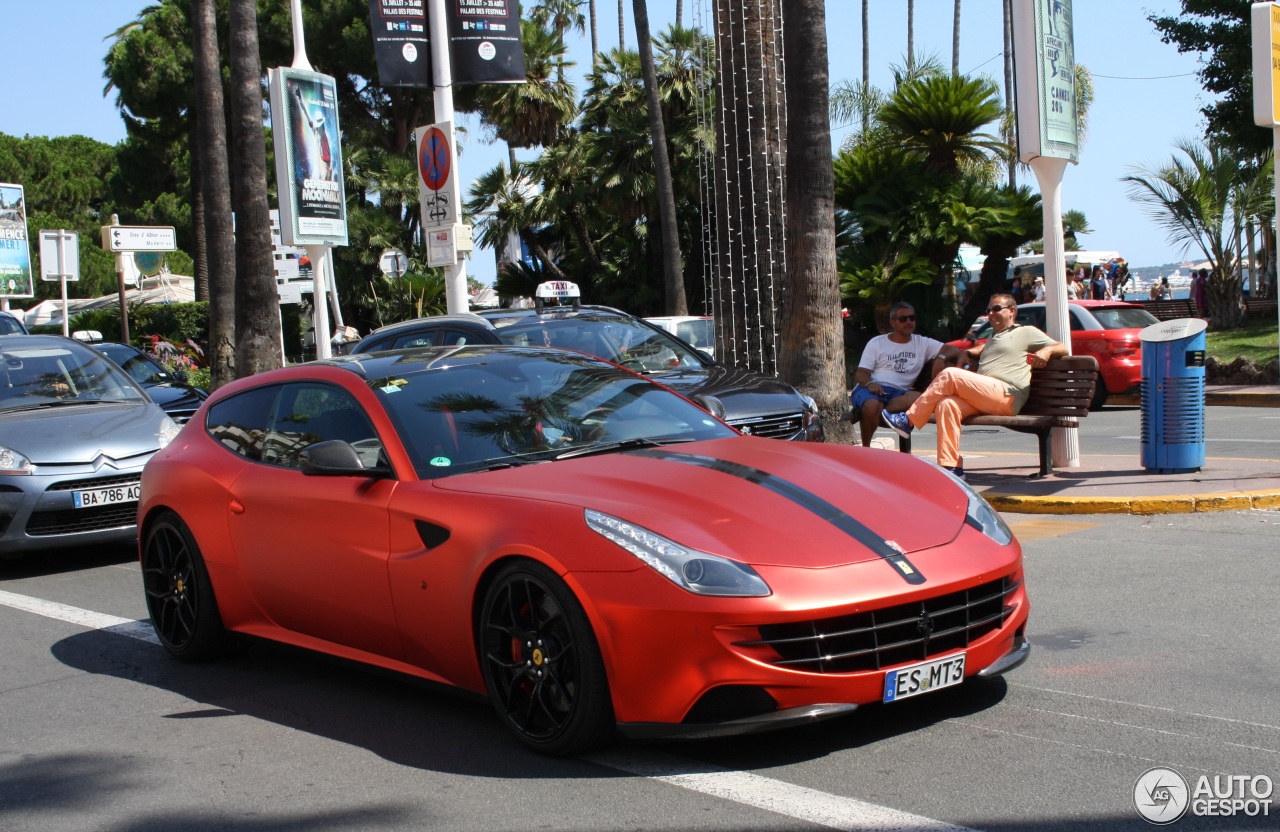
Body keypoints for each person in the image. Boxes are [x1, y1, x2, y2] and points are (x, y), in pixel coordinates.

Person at [881, 294, 1067, 479]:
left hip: (1007, 394)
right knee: (947, 404)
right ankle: (951, 467)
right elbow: (985, 348)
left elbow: (1061, 347)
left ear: (1011, 311)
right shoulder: (993, 338)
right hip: (986, 396)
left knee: (950, 374)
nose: (991, 314)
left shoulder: (1026, 332)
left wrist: (1046, 350)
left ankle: (909, 420)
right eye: (988, 310)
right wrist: (968, 352)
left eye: (996, 309)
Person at [850, 302, 959, 447]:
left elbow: (954, 350)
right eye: (903, 319)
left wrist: (941, 358)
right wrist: (871, 384)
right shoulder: (877, 343)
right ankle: (866, 447)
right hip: (872, 388)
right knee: (872, 405)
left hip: (900, 394)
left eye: (911, 318)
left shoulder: (922, 343)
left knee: (922, 398)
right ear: (893, 322)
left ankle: (874, 412)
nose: (908, 322)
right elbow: (861, 374)